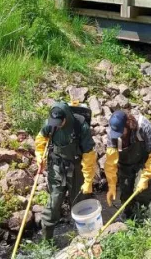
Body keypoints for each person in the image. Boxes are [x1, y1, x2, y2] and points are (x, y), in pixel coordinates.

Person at [35, 102, 96, 240]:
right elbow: (40, 139)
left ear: (66, 118)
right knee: (54, 200)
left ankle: (82, 239)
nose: (55, 125)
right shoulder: (50, 124)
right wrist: (39, 156)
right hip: (56, 166)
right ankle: (47, 240)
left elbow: (88, 155)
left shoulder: (80, 126)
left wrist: (87, 180)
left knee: (79, 202)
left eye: (59, 123)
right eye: (53, 123)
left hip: (76, 167)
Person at [104, 110, 151, 220]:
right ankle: (129, 218)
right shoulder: (112, 131)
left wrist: (144, 178)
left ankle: (143, 218)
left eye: (122, 132)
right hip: (125, 165)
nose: (118, 136)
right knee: (126, 195)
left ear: (128, 124)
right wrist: (111, 186)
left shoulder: (143, 126)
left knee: (142, 191)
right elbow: (111, 161)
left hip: (143, 163)